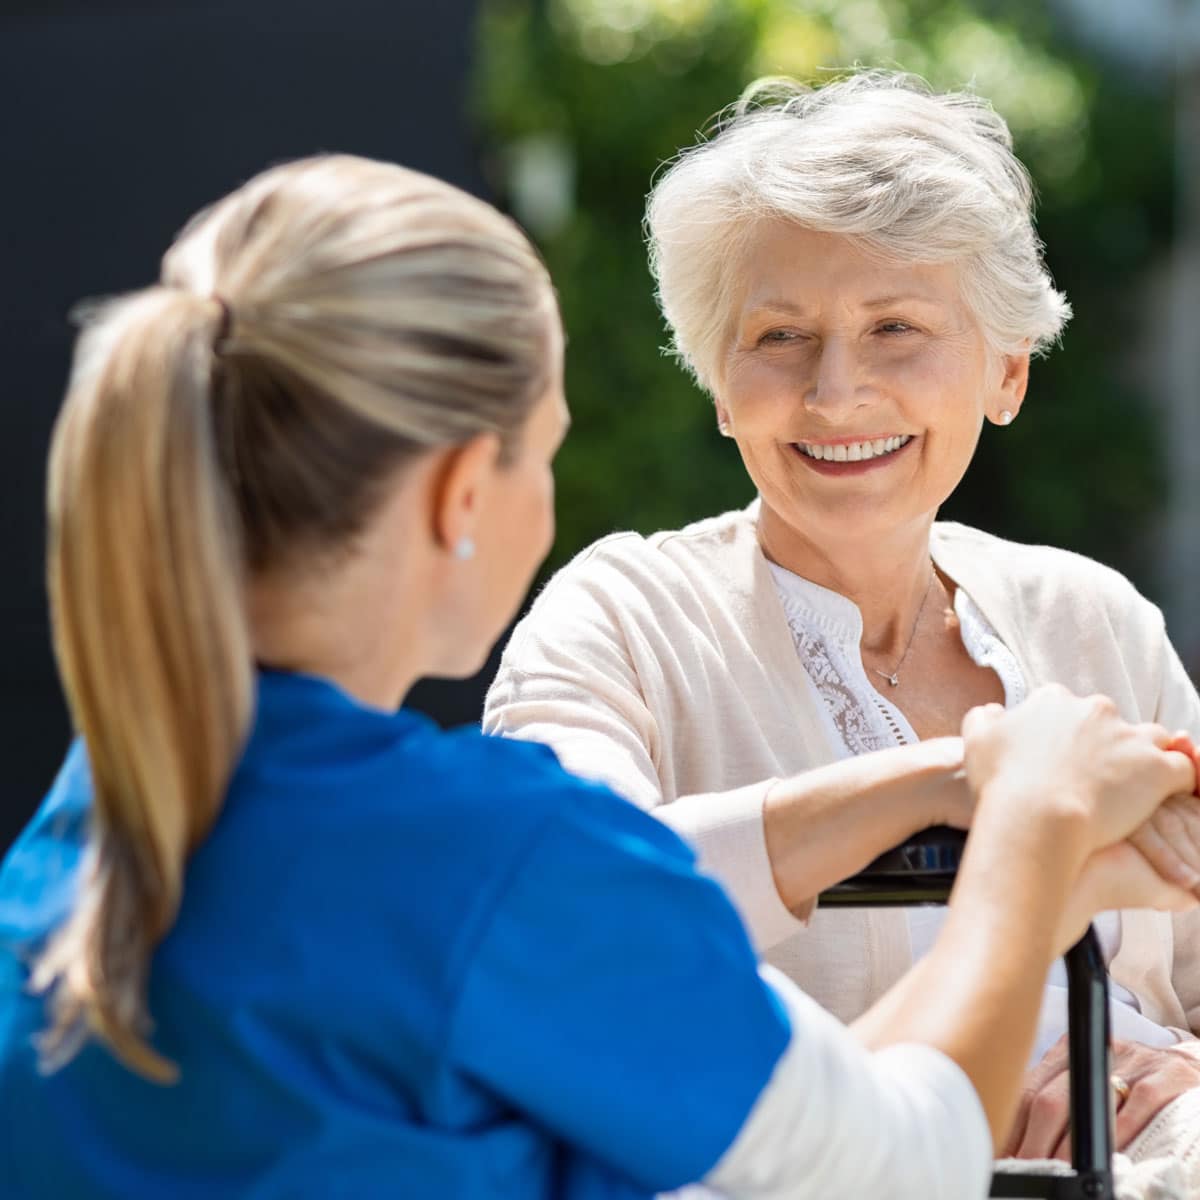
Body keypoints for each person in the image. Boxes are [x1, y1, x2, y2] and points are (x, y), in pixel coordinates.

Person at [0, 154, 1194, 1200]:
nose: (835, 386)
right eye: (552, 452)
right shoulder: (494, 859)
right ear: (466, 493)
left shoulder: (89, 825)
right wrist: (1031, 834)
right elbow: (895, 1162)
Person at [483, 70, 1200, 1169]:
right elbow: (569, 911)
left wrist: (1173, 1077)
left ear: (1007, 371)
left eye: (896, 327)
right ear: (720, 385)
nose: (833, 392)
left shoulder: (1091, 616)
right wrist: (964, 786)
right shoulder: (619, 614)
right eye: (777, 337)